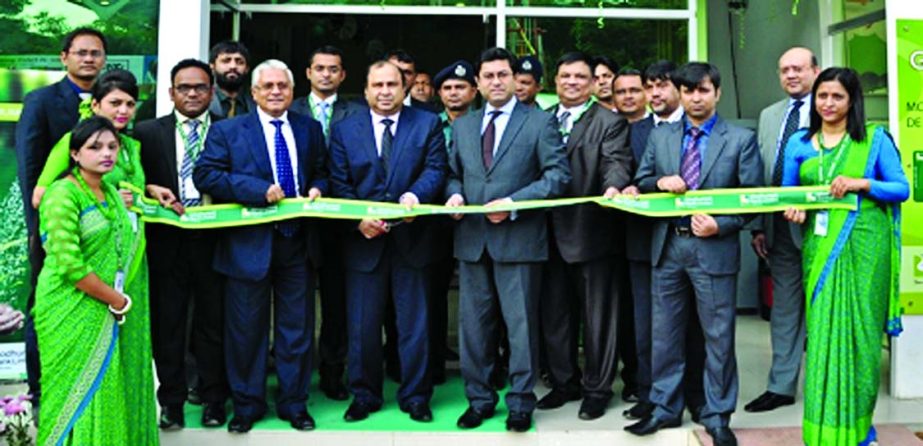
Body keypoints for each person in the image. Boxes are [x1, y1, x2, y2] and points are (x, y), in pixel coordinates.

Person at [625, 62, 762, 446]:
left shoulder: (739, 139)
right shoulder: (663, 137)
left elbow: (752, 197)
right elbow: (642, 180)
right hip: (667, 246)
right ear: (680, 95)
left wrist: (723, 224)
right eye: (688, 91)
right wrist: (658, 181)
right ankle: (665, 408)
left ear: (717, 93)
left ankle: (717, 415)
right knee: (664, 335)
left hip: (713, 248)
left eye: (703, 90)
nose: (695, 98)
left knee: (718, 338)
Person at [193, 59, 328, 433]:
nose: (275, 92)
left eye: (281, 86)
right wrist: (256, 191)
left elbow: (321, 169)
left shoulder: (310, 128)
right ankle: (248, 406)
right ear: (254, 93)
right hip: (247, 248)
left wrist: (318, 186)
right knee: (245, 332)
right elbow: (206, 174)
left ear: (291, 90)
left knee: (296, 332)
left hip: (298, 244)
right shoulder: (228, 131)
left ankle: (294, 403)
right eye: (267, 86)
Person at [780, 67, 908, 446]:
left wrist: (862, 183)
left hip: (867, 249)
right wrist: (794, 209)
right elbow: (787, 193)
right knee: (822, 338)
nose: (829, 104)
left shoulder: (874, 140)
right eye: (822, 96)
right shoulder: (799, 143)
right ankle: (822, 434)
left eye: (837, 97)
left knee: (862, 340)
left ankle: (859, 432)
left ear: (852, 101)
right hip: (821, 252)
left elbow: (901, 188)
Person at [33, 69, 161, 446]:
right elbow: (69, 264)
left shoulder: (113, 193)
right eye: (95, 148)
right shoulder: (64, 195)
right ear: (75, 153)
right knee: (77, 393)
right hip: (75, 305)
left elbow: (127, 234)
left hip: (116, 300)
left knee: (113, 388)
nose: (106, 154)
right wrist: (117, 299)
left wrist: (149, 193)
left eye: (111, 148)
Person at [446, 47, 570, 433]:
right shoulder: (464, 125)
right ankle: (479, 400)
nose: (496, 82)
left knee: (520, 328)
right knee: (474, 328)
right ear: (478, 83)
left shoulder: (538, 123)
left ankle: (520, 402)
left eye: (503, 75)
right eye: (488, 76)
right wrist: (454, 195)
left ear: (516, 80)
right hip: (472, 240)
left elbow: (558, 176)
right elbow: (453, 173)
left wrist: (515, 204)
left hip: (518, 238)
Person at [328, 60, 447, 423]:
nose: (384, 91)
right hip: (364, 243)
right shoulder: (344, 129)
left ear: (404, 87)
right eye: (377, 85)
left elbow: (435, 169)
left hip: (413, 240)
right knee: (362, 326)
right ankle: (364, 395)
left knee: (415, 326)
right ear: (365, 90)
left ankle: (416, 397)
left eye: (392, 84)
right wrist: (357, 221)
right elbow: (339, 181)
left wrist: (416, 196)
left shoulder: (426, 124)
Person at [14, 27, 107, 414]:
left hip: (100, 228)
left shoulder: (110, 100)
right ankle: (41, 392)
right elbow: (29, 167)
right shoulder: (41, 100)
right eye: (81, 52)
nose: (89, 59)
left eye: (96, 53)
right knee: (46, 304)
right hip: (56, 226)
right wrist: (42, 228)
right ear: (63, 57)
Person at [134, 58, 229, 429]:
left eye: (200, 87)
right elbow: (126, 181)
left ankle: (213, 399)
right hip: (166, 246)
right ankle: (171, 402)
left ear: (212, 91)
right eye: (184, 87)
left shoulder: (230, 130)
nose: (192, 93)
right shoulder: (144, 132)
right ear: (171, 92)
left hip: (216, 243)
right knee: (167, 326)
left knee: (213, 324)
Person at [537, 52, 632, 420]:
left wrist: (613, 187)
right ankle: (564, 383)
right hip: (544, 235)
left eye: (580, 77)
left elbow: (616, 163)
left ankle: (597, 389)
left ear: (594, 84)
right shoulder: (542, 120)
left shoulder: (609, 122)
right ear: (555, 81)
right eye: (565, 76)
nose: (572, 82)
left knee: (598, 318)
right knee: (555, 315)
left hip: (592, 233)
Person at [622, 59, 707, 422]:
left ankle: (697, 394)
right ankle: (652, 394)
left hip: (702, 241)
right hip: (648, 242)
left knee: (698, 328)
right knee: (650, 326)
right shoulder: (635, 130)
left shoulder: (705, 130)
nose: (655, 93)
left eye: (663, 85)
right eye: (649, 86)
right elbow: (632, 176)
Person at [745, 46, 819, 414]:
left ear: (816, 71)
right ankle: (781, 386)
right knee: (786, 309)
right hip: (778, 227)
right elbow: (761, 171)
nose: (790, 75)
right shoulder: (770, 114)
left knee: (825, 309)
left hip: (824, 226)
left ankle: (826, 385)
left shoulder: (832, 108)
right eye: (784, 69)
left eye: (798, 68)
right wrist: (758, 224)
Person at [289, 44, 360, 401]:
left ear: (343, 74)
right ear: (308, 73)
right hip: (297, 223)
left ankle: (333, 372)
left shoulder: (358, 111)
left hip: (343, 225)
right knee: (295, 303)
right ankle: (293, 372)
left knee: (337, 303)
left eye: (334, 69)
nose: (326, 74)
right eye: (320, 68)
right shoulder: (290, 107)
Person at [429, 59, 479, 383]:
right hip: (433, 223)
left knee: (480, 297)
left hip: (476, 221)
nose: (454, 92)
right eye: (447, 87)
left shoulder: (483, 124)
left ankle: (487, 366)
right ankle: (433, 363)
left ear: (474, 91)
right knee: (432, 294)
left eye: (460, 86)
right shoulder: (427, 125)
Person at [208, 40, 256, 119]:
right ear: (212, 66)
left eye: (239, 62)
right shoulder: (203, 102)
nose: (233, 66)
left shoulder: (255, 104)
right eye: (226, 61)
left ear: (247, 69)